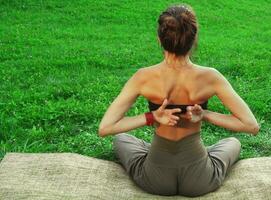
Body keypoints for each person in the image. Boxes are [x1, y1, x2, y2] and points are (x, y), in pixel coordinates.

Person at [98, 4, 259, 197]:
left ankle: (156, 152)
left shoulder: (143, 77)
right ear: (193, 39)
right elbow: (251, 125)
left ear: (159, 39)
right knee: (233, 142)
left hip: (155, 180)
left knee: (121, 139)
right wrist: (205, 115)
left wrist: (152, 116)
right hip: (199, 181)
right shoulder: (211, 77)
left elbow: (105, 128)